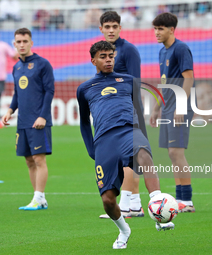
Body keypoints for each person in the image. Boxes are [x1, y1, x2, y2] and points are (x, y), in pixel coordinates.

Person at [77, 41, 174, 249]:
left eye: (111, 56)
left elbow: (138, 111)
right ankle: (124, 230)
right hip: (103, 140)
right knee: (108, 200)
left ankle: (157, 205)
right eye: (103, 56)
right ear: (93, 60)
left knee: (143, 155)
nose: (108, 59)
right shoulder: (84, 89)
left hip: (129, 130)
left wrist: (144, 140)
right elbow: (84, 122)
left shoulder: (128, 81)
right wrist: (91, 149)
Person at [2, 28, 55, 210]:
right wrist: (10, 110)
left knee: (39, 159)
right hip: (23, 122)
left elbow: (49, 91)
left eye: (25, 41)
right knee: (29, 161)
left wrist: (42, 116)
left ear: (31, 43)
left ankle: (39, 197)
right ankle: (38, 199)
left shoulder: (42, 64)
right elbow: (17, 93)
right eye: (18, 42)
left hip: (38, 121)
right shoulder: (16, 67)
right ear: (14, 44)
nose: (22, 45)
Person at [98, 11, 143, 219]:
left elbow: (135, 83)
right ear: (101, 29)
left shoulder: (129, 50)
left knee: (129, 159)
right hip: (110, 115)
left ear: (120, 28)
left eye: (114, 26)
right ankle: (135, 204)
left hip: (129, 111)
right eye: (107, 27)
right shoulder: (102, 52)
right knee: (123, 158)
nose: (111, 30)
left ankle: (125, 206)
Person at [150, 12, 195, 213]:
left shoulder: (181, 48)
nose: (157, 32)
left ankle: (187, 199)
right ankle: (180, 198)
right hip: (168, 106)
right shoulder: (162, 52)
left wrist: (181, 106)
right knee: (171, 153)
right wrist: (156, 107)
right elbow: (164, 82)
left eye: (160, 29)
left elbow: (189, 78)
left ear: (171, 30)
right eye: (155, 29)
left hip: (179, 105)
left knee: (176, 152)